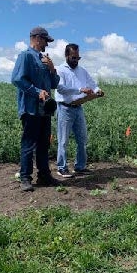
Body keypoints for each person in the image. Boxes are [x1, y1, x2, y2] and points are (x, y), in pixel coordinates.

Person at [12, 26, 60, 191]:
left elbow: (54, 84)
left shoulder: (44, 59)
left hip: (44, 110)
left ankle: (44, 176)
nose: (47, 44)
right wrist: (37, 92)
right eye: (46, 40)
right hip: (31, 109)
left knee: (43, 144)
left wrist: (52, 69)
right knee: (29, 144)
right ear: (38, 38)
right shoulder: (25, 56)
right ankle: (25, 177)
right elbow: (17, 79)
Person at [55, 43, 103, 178]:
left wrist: (98, 91)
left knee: (82, 138)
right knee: (63, 140)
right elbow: (60, 88)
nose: (76, 61)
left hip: (78, 108)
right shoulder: (60, 70)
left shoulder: (82, 71)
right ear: (66, 56)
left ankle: (80, 166)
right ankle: (62, 167)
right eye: (73, 58)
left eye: (78, 58)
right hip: (65, 108)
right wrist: (80, 90)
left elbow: (92, 84)